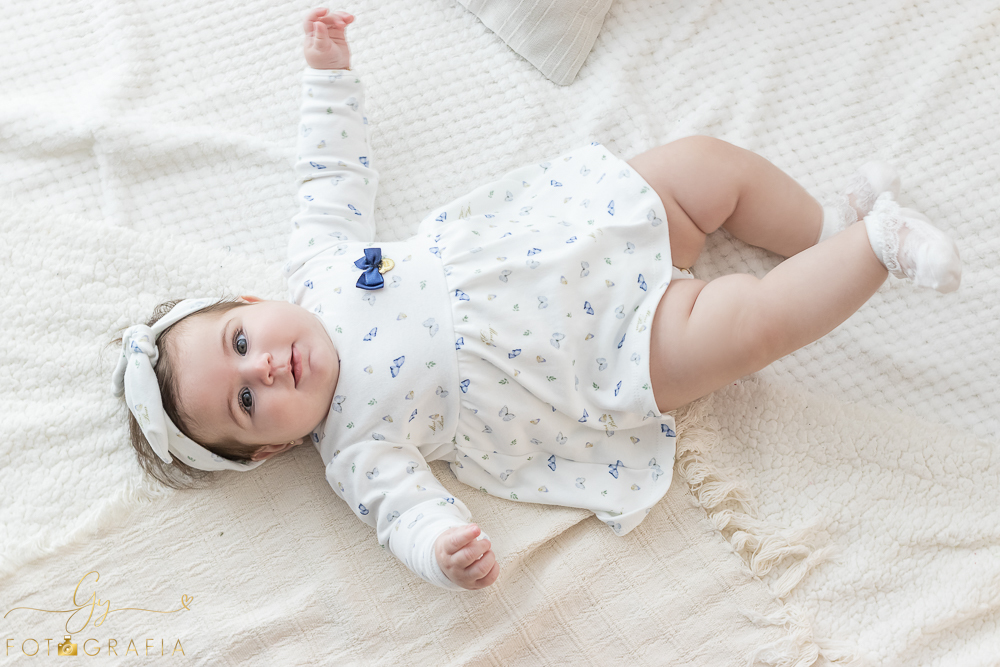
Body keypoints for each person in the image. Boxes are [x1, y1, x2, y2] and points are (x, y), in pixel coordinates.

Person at [110, 8, 962, 592]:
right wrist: (443, 552)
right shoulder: (354, 450)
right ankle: (876, 248)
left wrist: (327, 73)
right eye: (249, 402)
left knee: (705, 167)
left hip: (579, 234)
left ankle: (820, 232)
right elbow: (405, 514)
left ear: (251, 301)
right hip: (590, 364)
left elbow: (328, 174)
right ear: (270, 450)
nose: (264, 366)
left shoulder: (319, 262)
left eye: (238, 341)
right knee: (748, 325)